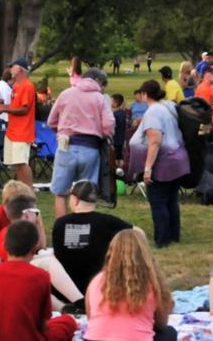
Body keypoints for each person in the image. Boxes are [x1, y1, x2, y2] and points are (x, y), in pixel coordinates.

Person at [84, 227, 177, 341]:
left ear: (111, 252)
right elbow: (160, 324)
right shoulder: (153, 283)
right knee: (170, 333)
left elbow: (91, 317)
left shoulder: (96, 281)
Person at [48, 68, 115, 218]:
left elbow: (51, 121)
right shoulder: (100, 98)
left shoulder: (66, 93)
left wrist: (61, 131)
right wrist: (103, 134)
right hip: (90, 148)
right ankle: (84, 230)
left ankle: (62, 228)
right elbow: (109, 124)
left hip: (65, 146)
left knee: (60, 193)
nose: (103, 88)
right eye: (103, 85)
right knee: (86, 192)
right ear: (98, 81)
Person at [50, 180, 132, 303]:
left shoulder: (60, 223)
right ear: (95, 201)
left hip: (64, 292)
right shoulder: (108, 222)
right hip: (98, 290)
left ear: (75, 199)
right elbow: (137, 234)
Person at [131, 80, 188, 248]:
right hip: (178, 159)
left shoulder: (153, 112)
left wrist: (147, 169)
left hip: (164, 162)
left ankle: (162, 239)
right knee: (171, 199)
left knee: (158, 201)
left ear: (145, 94)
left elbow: (155, 141)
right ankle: (173, 235)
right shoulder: (167, 106)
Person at [0, 57, 37, 185]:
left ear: (21, 70)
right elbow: (14, 107)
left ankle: (29, 191)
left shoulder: (27, 86)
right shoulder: (16, 86)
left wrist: (4, 110)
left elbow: (24, 109)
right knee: (15, 164)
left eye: (13, 67)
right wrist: (1, 107)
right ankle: (22, 189)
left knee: (22, 163)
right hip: (12, 131)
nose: (10, 69)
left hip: (22, 131)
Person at [111, 94, 128, 165]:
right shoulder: (122, 113)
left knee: (116, 158)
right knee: (119, 156)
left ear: (115, 103)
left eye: (111, 101)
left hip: (116, 140)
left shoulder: (115, 115)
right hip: (121, 139)